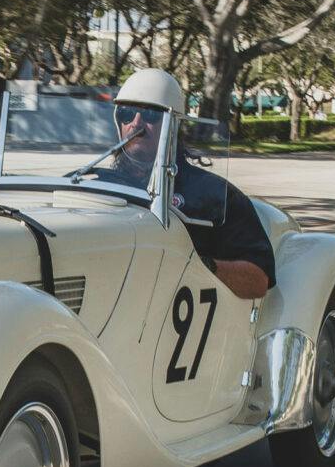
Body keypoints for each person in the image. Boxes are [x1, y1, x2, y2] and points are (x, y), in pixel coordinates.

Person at [105, 68, 276, 301]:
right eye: (127, 113)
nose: (136, 124)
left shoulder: (214, 195)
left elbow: (258, 281)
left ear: (173, 125)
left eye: (151, 115)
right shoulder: (97, 184)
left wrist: (198, 265)